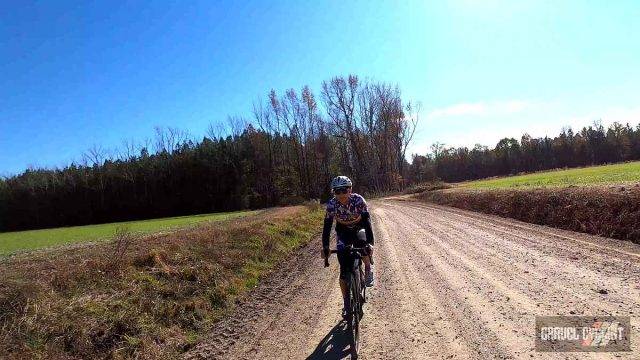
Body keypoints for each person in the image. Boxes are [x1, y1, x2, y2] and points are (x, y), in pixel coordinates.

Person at [321, 175, 375, 317]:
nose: (341, 194)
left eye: (344, 190)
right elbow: (327, 227)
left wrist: (370, 243)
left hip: (359, 228)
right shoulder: (332, 204)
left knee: (363, 247)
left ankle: (368, 269)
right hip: (343, 232)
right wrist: (326, 247)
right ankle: (346, 303)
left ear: (350, 190)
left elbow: (367, 222)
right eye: (337, 191)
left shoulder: (359, 200)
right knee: (343, 271)